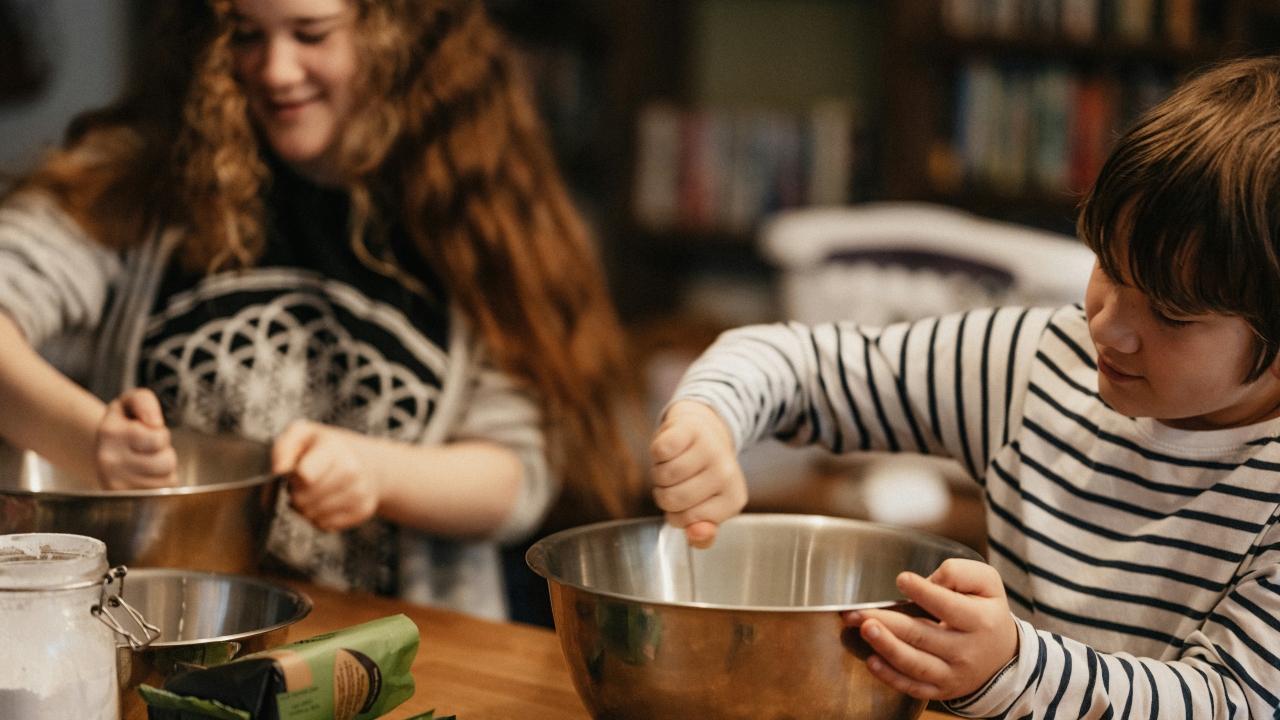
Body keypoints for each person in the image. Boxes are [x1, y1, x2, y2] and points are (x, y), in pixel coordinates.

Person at [651, 56, 1280, 718]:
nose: (1109, 325)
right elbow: (798, 362)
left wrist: (1013, 669)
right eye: (1109, 268)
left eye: (1172, 313)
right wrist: (710, 416)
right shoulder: (1037, 362)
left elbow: (1234, 703)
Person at [0, 0, 643, 621]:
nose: (275, 71)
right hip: (149, 629)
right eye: (246, 34)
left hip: (393, 653)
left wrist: (376, 472)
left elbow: (515, 479)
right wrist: (90, 441)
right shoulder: (139, 179)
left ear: (396, 32)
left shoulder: (473, 213)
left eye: (311, 33)